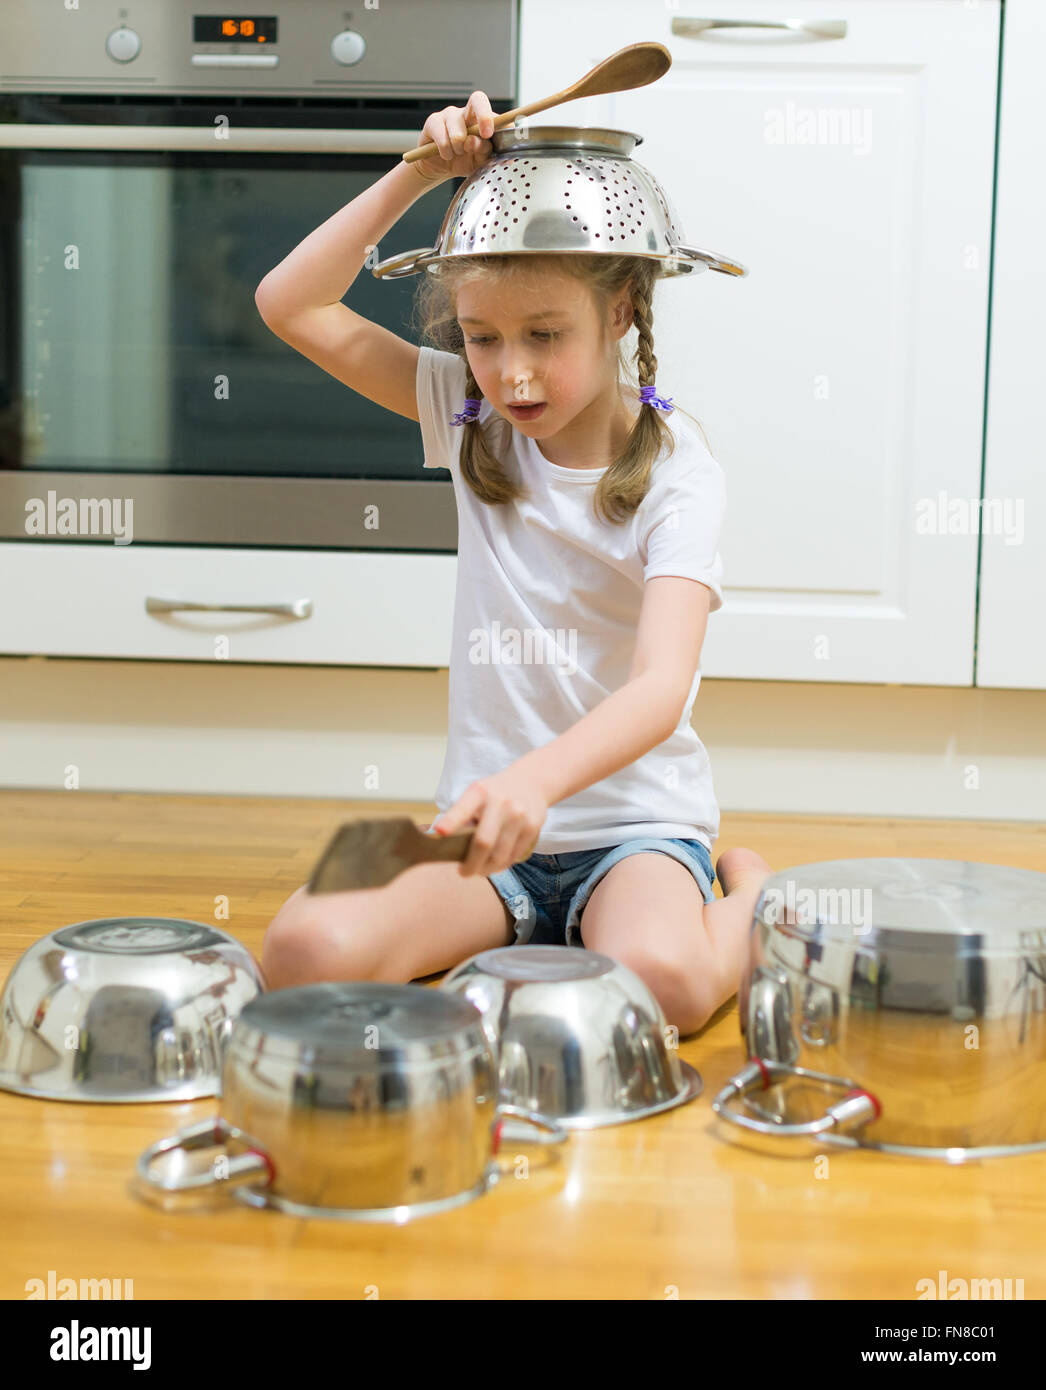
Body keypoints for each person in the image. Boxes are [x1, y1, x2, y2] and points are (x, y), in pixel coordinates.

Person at [255, 92, 771, 1035]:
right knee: (300, 955)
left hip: (632, 831)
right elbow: (289, 302)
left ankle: (754, 897)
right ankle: (543, 925)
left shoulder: (680, 474)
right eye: (482, 338)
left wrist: (537, 780)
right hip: (488, 832)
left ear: (621, 312)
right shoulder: (464, 412)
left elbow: (661, 687)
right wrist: (420, 171)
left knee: (671, 988)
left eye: (544, 334)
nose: (513, 373)